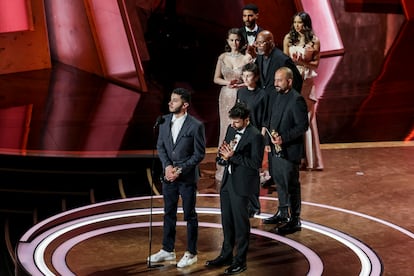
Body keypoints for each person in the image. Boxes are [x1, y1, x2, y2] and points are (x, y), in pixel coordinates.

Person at [149, 88, 206, 268]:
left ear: (185, 104)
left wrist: (179, 170)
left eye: (174, 101)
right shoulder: (164, 121)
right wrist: (167, 167)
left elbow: (199, 154)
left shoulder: (196, 125)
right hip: (168, 176)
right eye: (170, 100)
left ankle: (191, 253)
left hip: (186, 177)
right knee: (169, 213)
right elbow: (161, 147)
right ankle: (167, 250)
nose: (170, 103)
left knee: (189, 215)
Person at [206, 102, 264, 275]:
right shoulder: (231, 129)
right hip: (227, 181)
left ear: (246, 120)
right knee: (227, 221)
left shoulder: (255, 136)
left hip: (242, 184)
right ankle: (226, 255)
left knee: (241, 225)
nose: (233, 125)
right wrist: (222, 158)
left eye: (237, 122)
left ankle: (240, 261)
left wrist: (233, 156)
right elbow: (224, 150)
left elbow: (255, 163)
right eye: (232, 121)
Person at [262, 67, 308, 235]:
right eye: (275, 80)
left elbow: (303, 126)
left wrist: (283, 138)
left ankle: (295, 219)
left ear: (289, 81)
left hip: (289, 151)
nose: (276, 84)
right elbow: (270, 120)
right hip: (276, 150)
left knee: (291, 185)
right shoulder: (276, 96)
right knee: (280, 182)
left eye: (279, 80)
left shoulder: (297, 100)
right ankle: (282, 212)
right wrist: (268, 141)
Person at [283, 11, 324, 171]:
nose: (297, 26)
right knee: (291, 118)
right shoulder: (288, 38)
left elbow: (315, 65)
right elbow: (285, 62)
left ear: (306, 24)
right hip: (292, 81)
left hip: (306, 82)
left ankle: (311, 160)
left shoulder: (314, 40)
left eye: (300, 22)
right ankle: (293, 158)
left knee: (307, 118)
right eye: (295, 23)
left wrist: (302, 62)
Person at [214, 28, 253, 184]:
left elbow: (252, 80)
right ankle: (223, 166)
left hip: (241, 95)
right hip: (226, 96)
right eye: (231, 40)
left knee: (240, 128)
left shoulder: (247, 58)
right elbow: (216, 78)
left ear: (241, 41)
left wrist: (241, 84)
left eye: (237, 40)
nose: (234, 43)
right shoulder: (222, 57)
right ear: (227, 41)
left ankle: (240, 164)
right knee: (226, 128)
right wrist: (227, 83)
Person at [236, 62, 268, 217]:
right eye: (244, 75)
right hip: (242, 135)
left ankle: (254, 205)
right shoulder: (241, 93)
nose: (246, 78)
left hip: (255, 137)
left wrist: (261, 138)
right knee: (242, 171)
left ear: (255, 77)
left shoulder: (262, 94)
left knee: (252, 172)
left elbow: (264, 119)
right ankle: (244, 204)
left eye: (249, 76)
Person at [254, 30, 303, 94]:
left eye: (261, 43)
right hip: (265, 98)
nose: (258, 46)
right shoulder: (260, 56)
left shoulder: (283, 59)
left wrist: (287, 99)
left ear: (270, 42)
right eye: (257, 43)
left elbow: (297, 81)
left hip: (278, 98)